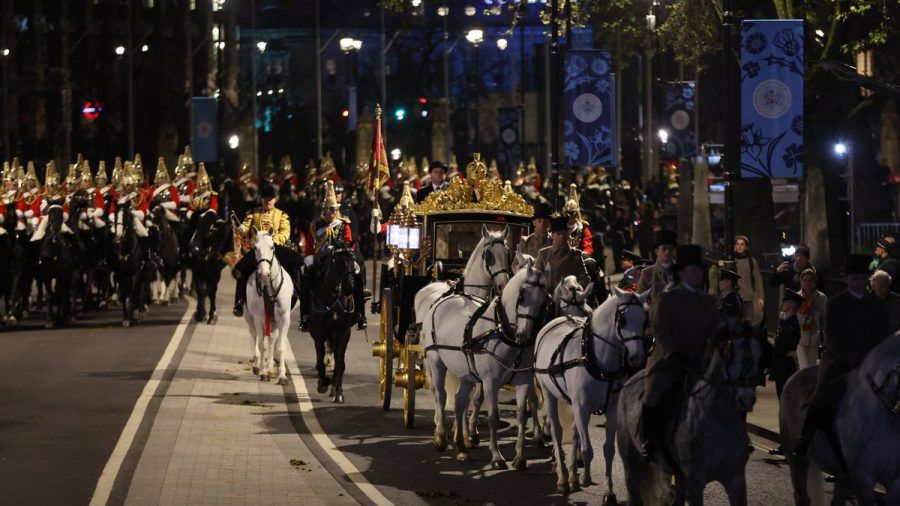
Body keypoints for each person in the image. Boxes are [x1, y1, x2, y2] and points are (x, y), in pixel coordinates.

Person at [793, 254, 891, 459]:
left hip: (871, 362)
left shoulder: (877, 305)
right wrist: (855, 359)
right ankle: (806, 438)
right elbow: (833, 336)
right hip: (841, 360)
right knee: (824, 393)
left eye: (863, 279)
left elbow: (884, 334)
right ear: (846, 279)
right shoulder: (836, 304)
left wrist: (877, 358)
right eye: (855, 279)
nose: (859, 283)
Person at [640, 244, 720, 460]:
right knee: (655, 392)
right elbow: (661, 329)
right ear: (682, 273)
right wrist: (674, 352)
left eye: (699, 270)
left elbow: (717, 331)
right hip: (671, 359)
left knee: (730, 390)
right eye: (693, 270)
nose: (698, 274)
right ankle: (651, 439)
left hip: (701, 359)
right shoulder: (668, 300)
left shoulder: (709, 301)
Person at [300, 181, 367, 331]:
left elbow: (350, 242)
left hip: (341, 258)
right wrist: (309, 257)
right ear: (323, 210)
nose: (332, 212)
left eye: (334, 209)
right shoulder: (316, 225)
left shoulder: (344, 225)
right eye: (329, 209)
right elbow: (310, 244)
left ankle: (360, 315)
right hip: (321, 259)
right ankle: (304, 316)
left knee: (356, 275)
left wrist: (343, 252)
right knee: (306, 279)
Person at [230, 184, 303, 317]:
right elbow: (246, 225)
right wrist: (242, 229)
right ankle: (239, 301)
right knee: (241, 269)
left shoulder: (282, 215)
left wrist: (274, 240)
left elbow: (285, 232)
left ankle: (301, 295)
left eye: (271, 199)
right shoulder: (253, 213)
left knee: (297, 264)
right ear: (261, 199)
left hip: (276, 247)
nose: (268, 201)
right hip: (259, 249)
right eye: (265, 199)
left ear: (275, 200)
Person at [534, 215, 590, 291]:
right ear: (552, 235)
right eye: (558, 234)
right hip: (548, 298)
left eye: (564, 233)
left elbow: (585, 278)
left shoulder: (576, 255)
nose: (561, 236)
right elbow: (535, 278)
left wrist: (575, 290)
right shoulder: (543, 254)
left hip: (570, 299)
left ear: (568, 235)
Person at [637, 229, 678, 333]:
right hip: (655, 328)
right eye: (664, 249)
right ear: (656, 252)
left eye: (670, 249)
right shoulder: (647, 274)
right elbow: (640, 302)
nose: (667, 252)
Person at [771, 289, 803, 398]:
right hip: (781, 364)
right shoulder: (786, 322)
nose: (783, 304)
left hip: (786, 365)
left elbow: (782, 346)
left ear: (792, 304)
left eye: (785, 301)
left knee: (785, 396)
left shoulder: (792, 325)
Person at [796, 269, 826, 369]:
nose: (807, 283)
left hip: (814, 339)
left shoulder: (821, 298)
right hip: (800, 339)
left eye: (810, 280)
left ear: (814, 282)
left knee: (812, 367)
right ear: (801, 281)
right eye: (804, 280)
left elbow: (824, 318)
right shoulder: (796, 297)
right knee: (804, 366)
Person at [732, 235, 765, 328]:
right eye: (737, 244)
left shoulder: (751, 261)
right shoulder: (731, 260)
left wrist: (760, 297)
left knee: (749, 323)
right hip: (735, 298)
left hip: (748, 298)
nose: (739, 246)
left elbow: (758, 280)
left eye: (742, 244)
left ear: (746, 247)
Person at [717, 268, 744, 335]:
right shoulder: (723, 297)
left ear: (728, 282)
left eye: (721, 280)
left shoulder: (732, 300)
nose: (719, 282)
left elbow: (732, 323)